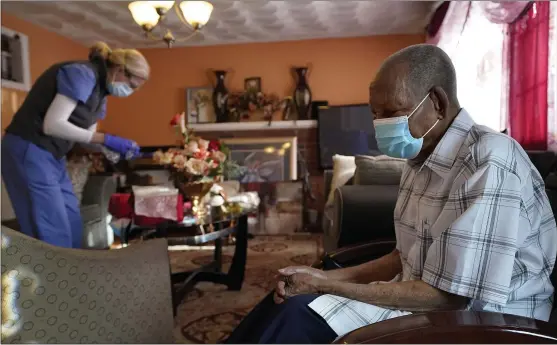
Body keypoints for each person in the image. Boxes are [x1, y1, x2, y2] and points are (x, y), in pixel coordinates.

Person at [226, 44, 557, 344]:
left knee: (296, 316)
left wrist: (325, 285)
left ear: (437, 103)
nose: (379, 125)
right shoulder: (418, 158)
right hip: (420, 303)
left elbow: (451, 296)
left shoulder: (488, 160)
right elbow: (405, 257)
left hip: (486, 323)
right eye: (375, 114)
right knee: (283, 301)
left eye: (391, 112)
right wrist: (322, 275)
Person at [1, 42, 149, 249]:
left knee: (72, 222)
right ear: (119, 70)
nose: (131, 91)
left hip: (54, 155)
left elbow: (85, 136)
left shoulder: (101, 93)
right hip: (29, 148)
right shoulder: (82, 74)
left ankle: (71, 277)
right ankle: (53, 279)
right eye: (132, 85)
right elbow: (53, 124)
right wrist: (106, 139)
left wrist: (110, 149)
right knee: (51, 226)